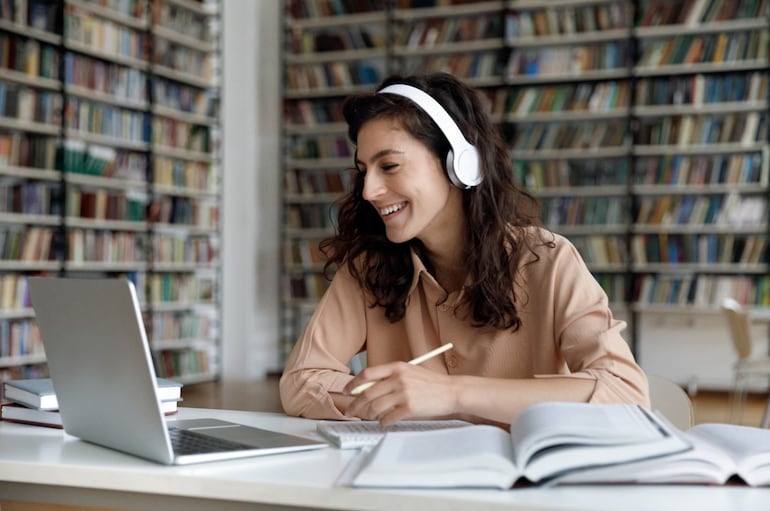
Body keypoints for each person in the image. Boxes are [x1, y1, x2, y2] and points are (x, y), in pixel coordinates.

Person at [279, 72, 649, 427]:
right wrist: (394, 397)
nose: (368, 191)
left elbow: (627, 394)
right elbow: (301, 381)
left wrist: (453, 394)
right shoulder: (368, 268)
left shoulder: (548, 259)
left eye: (389, 166)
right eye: (364, 171)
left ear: (460, 165)